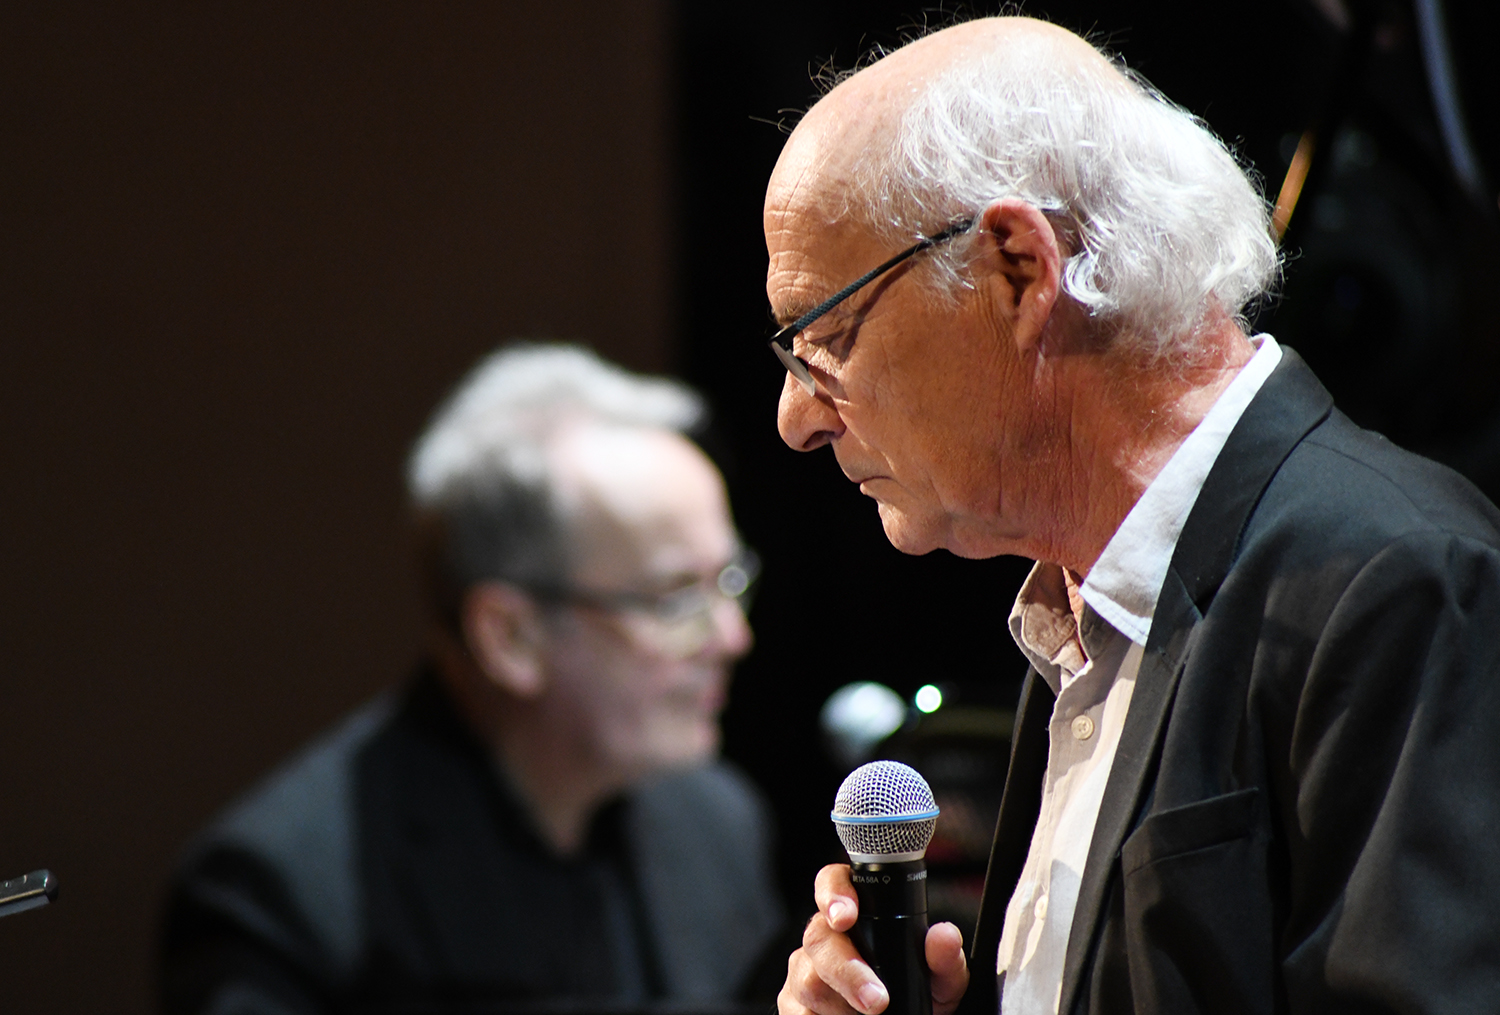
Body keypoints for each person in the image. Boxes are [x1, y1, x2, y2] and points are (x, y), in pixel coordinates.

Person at [767, 16, 1500, 1015]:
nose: (797, 418)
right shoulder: (1086, 609)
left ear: (1018, 270)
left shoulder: (1403, 579)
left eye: (823, 336)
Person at [161, 343, 784, 1014]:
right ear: (510, 636)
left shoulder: (716, 820)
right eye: (674, 599)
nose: (732, 638)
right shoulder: (281, 890)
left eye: (728, 581)